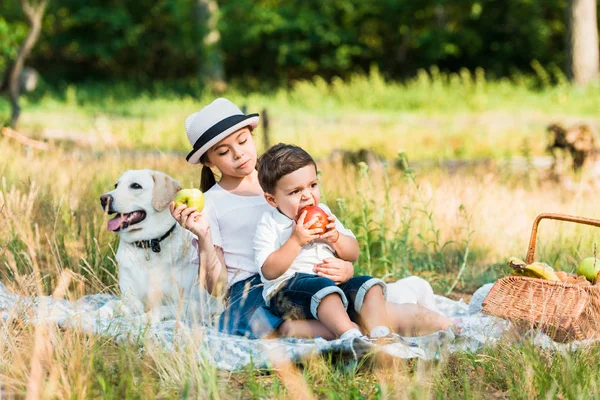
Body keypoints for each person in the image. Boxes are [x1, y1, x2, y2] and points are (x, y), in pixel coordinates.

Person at [170, 97, 455, 340]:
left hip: (307, 277)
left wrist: (344, 266)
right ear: (208, 161)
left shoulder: (286, 181)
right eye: (223, 152)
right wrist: (204, 236)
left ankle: (451, 327)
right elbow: (217, 288)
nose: (238, 154)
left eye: (243, 141)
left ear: (251, 135)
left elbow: (331, 240)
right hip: (255, 289)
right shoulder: (212, 204)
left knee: (376, 309)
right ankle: (351, 335)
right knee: (282, 326)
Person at [254, 143, 402, 346]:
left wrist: (336, 238)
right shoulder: (270, 223)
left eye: (312, 185)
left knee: (370, 286)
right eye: (295, 191)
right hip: (289, 293)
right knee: (323, 288)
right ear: (272, 200)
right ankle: (352, 336)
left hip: (333, 288)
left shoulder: (323, 211)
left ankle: (381, 333)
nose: (307, 195)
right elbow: (269, 271)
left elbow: (353, 253)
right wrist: (296, 241)